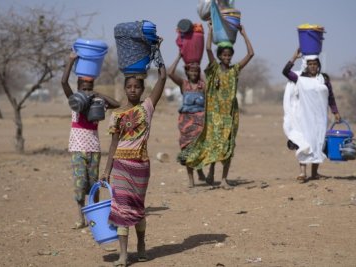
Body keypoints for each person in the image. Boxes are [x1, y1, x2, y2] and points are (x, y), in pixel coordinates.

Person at [100, 41, 166, 267]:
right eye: (129, 87)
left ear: (142, 89)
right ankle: (123, 255)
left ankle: (141, 244)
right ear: (125, 89)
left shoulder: (147, 107)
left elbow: (163, 78)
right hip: (120, 165)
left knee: (137, 208)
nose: (133, 90)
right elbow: (113, 144)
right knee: (120, 208)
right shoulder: (117, 115)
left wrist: (157, 52)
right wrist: (106, 171)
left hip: (140, 166)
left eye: (137, 87)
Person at [178, 23, 254, 187]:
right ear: (220, 56)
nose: (227, 57)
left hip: (230, 115)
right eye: (224, 55)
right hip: (215, 115)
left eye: (229, 55)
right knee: (214, 144)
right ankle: (211, 170)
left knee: (228, 146)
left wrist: (244, 33)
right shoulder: (214, 69)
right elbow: (208, 49)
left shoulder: (235, 70)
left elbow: (251, 53)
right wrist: (211, 31)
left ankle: (224, 179)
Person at [61, 52, 120, 229]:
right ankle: (81, 218)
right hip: (77, 149)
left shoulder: (97, 103)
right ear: (78, 89)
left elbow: (116, 104)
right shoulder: (75, 102)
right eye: (84, 88)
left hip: (94, 149)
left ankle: (93, 217)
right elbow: (63, 83)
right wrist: (71, 61)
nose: (87, 91)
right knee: (80, 185)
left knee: (94, 185)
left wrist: (97, 94)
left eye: (89, 87)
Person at [282, 48, 341, 183]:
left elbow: (330, 96)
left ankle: (314, 173)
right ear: (306, 65)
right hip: (304, 118)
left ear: (318, 65)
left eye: (315, 64)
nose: (313, 66)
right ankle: (302, 173)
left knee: (318, 142)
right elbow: (285, 72)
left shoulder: (324, 79)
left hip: (320, 118)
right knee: (304, 143)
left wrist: (335, 111)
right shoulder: (300, 78)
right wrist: (294, 57)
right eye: (310, 64)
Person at [168, 53, 206, 187]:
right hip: (185, 123)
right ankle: (191, 178)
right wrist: (179, 56)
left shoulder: (203, 86)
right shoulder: (183, 84)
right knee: (187, 150)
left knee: (199, 149)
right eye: (191, 70)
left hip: (200, 123)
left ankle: (200, 170)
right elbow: (170, 72)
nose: (194, 73)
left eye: (196, 71)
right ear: (187, 72)